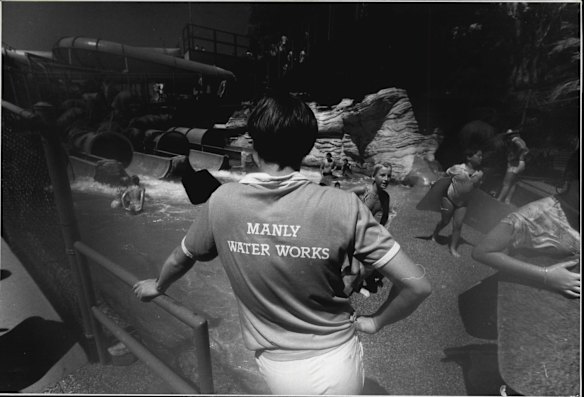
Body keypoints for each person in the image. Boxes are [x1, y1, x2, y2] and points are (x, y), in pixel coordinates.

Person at [133, 92, 431, 395]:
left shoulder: (221, 202)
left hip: (277, 367)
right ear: (307, 147)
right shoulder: (344, 206)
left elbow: (181, 258)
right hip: (337, 361)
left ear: (254, 144)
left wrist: (158, 286)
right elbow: (418, 286)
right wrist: (375, 323)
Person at [472, 150, 580, 297]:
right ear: (570, 177)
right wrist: (546, 276)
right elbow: (483, 251)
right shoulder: (535, 215)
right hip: (525, 301)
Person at [432, 148, 484, 258]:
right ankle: (435, 233)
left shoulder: (479, 174)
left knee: (458, 225)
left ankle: (453, 248)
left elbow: (476, 188)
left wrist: (477, 181)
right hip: (449, 198)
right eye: (478, 155)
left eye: (481, 156)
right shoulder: (457, 168)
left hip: (463, 202)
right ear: (469, 157)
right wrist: (435, 184)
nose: (481, 158)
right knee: (445, 221)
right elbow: (445, 177)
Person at [497, 129, 529, 204]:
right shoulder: (520, 140)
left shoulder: (514, 140)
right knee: (513, 183)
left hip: (515, 164)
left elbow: (523, 148)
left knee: (506, 183)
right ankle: (507, 200)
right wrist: (521, 155)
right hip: (521, 163)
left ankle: (499, 199)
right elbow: (527, 150)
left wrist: (515, 155)